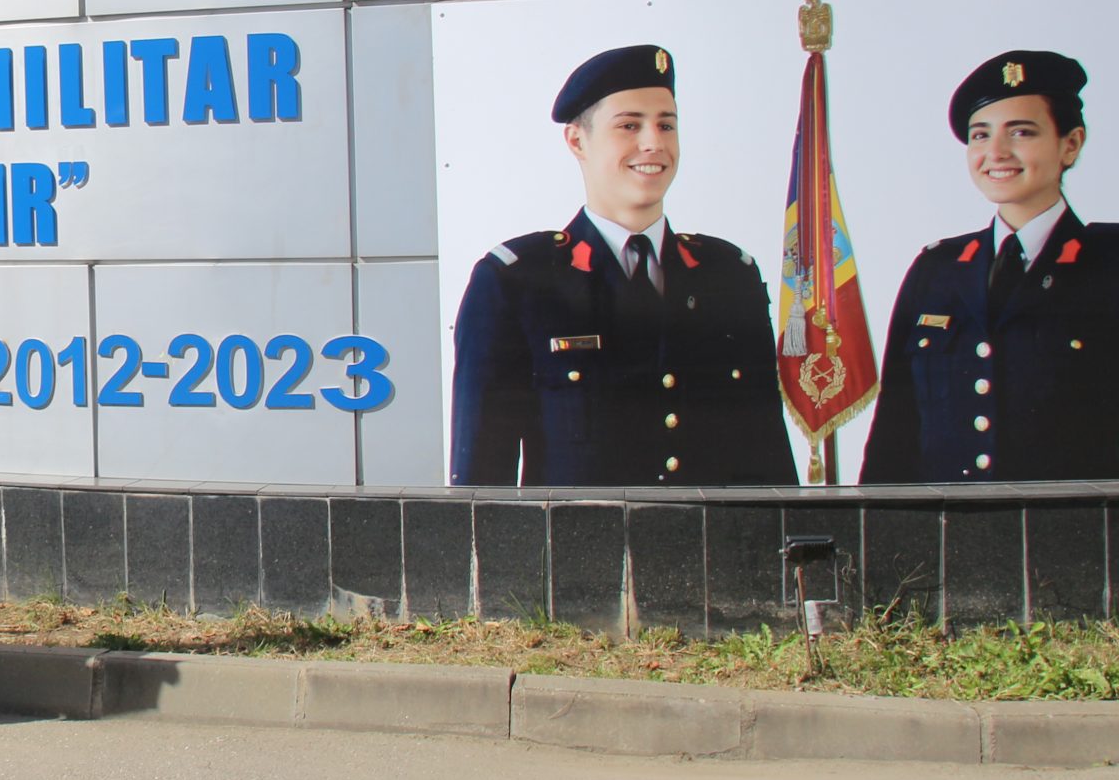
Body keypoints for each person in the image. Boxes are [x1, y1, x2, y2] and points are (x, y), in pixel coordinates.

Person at [450, 44, 794, 487]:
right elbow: (481, 485)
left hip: (713, 533)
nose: (654, 143)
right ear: (577, 140)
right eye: (629, 125)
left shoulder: (728, 274)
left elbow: (768, 462)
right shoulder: (518, 281)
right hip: (582, 535)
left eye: (666, 125)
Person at [861, 51, 1119, 482]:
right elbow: (895, 431)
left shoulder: (1109, 262)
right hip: (948, 522)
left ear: (1071, 144)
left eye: (1021, 132)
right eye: (980, 135)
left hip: (1083, 522)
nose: (996, 152)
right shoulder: (936, 270)